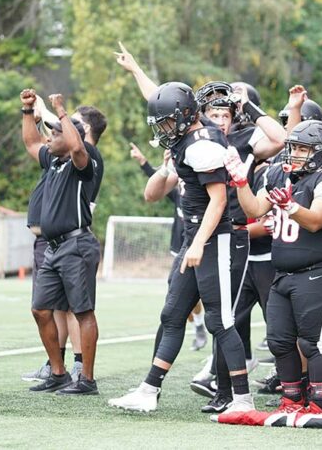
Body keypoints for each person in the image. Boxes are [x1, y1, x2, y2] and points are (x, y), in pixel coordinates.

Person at [109, 82, 252, 413]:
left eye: (168, 121)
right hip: (197, 237)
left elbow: (218, 201)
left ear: (187, 116)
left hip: (215, 238)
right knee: (172, 314)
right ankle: (148, 390)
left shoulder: (202, 146)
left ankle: (243, 399)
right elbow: (151, 193)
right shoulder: (187, 140)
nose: (164, 128)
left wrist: (199, 244)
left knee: (220, 320)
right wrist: (163, 165)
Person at [229, 120, 322, 414]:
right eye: (293, 148)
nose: (294, 154)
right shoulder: (277, 174)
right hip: (282, 273)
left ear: (321, 152)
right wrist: (241, 182)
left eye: (302, 149)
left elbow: (317, 220)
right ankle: (292, 399)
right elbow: (255, 210)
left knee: (312, 342)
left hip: (317, 270)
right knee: (279, 341)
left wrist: (290, 207)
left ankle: (320, 400)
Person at [20, 89, 103, 396]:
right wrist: (28, 111)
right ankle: (58, 372)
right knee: (40, 309)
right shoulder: (53, 163)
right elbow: (30, 141)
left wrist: (61, 111)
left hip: (76, 246)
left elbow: (77, 145)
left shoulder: (82, 163)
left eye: (54, 134)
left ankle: (87, 380)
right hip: (54, 248)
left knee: (82, 312)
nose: (48, 138)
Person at [129, 142, 207, 351]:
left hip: (202, 245)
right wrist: (144, 162)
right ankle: (198, 326)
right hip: (180, 244)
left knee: (198, 295)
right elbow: (156, 187)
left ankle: (204, 331)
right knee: (178, 295)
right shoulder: (177, 188)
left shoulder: (203, 187)